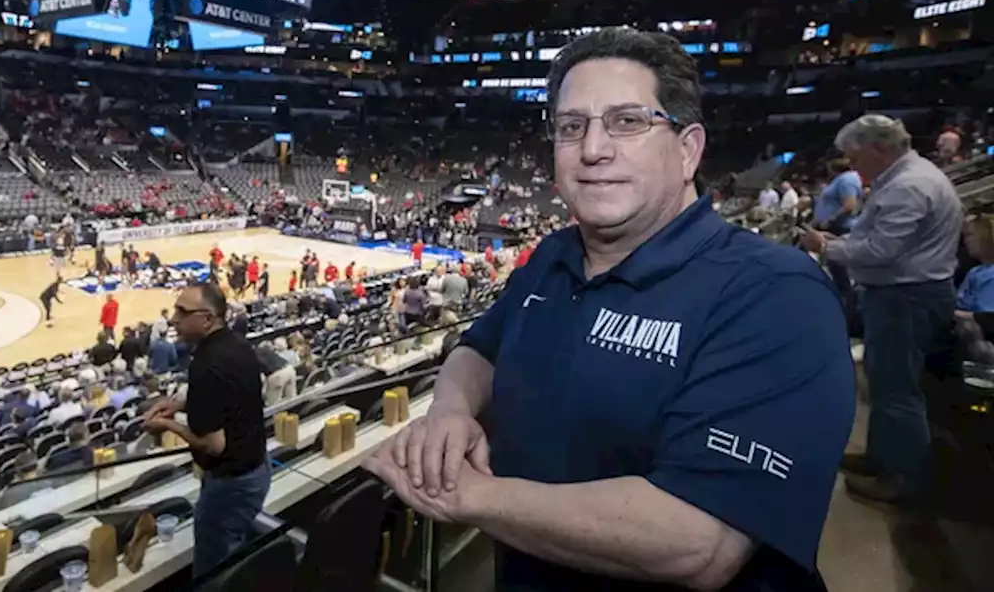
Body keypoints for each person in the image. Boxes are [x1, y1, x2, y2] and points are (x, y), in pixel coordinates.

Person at [365, 29, 854, 591]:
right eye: (572, 127)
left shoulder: (776, 294)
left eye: (628, 121)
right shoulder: (552, 256)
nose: (593, 149)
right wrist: (451, 410)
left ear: (688, 148)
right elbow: (479, 349)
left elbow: (697, 543)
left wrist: (466, 493)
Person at [800, 114, 962, 504]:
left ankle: (904, 477)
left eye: (855, 157)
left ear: (878, 148)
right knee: (886, 383)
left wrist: (826, 247)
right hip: (904, 294)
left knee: (897, 390)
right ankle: (882, 457)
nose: (852, 167)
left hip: (905, 297)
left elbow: (879, 251)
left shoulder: (910, 185)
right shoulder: (908, 178)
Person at [142, 284, 269, 576]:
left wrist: (167, 424)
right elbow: (228, 400)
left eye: (183, 312)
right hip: (256, 468)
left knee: (214, 570)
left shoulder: (206, 366)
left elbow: (213, 445)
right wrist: (178, 405)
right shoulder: (237, 344)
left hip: (231, 484)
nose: (174, 319)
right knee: (235, 552)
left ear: (207, 318)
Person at [257, 342, 296, 406]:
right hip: (289, 369)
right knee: (292, 401)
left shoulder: (250, 357)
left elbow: (262, 378)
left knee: (273, 405)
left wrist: (263, 391)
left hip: (277, 375)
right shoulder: (261, 349)